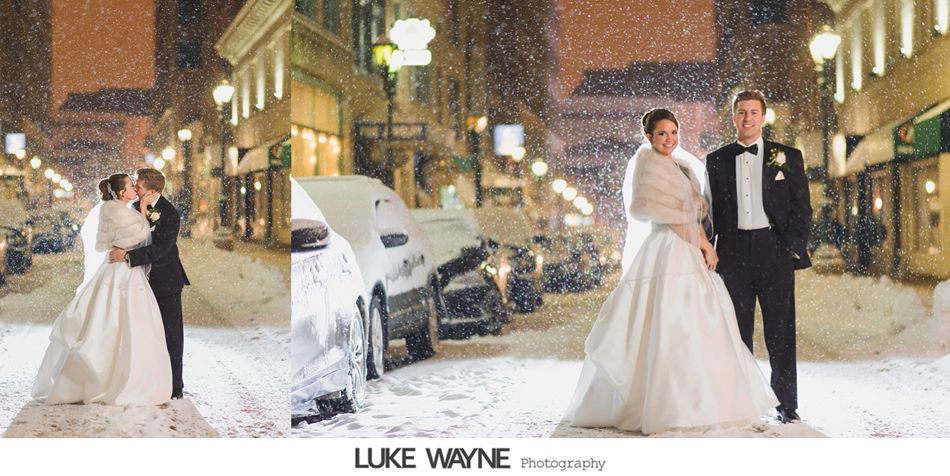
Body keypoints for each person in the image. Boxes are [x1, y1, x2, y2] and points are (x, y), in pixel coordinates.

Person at [565, 109, 778, 435]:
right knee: (669, 323)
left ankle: (703, 401)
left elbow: (690, 214)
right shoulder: (648, 165)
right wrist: (703, 244)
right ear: (649, 136)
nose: (669, 139)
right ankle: (666, 404)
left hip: (686, 245)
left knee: (696, 323)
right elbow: (657, 212)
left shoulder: (677, 165)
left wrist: (702, 239)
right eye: (662, 134)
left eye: (674, 133)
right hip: (669, 248)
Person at [705, 90, 813, 423]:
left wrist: (790, 246)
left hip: (774, 251)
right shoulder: (717, 159)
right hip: (733, 252)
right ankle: (741, 401)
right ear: (733, 117)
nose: (748, 118)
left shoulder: (788, 156)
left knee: (781, 331)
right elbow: (708, 210)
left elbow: (802, 208)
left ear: (763, 117)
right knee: (736, 333)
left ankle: (786, 403)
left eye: (753, 112)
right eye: (741, 112)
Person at [32, 174, 172, 405]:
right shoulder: (115, 210)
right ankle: (111, 379)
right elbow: (139, 235)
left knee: (124, 322)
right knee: (116, 321)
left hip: (123, 266)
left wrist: (141, 212)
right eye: (130, 185)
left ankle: (119, 374)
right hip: (122, 270)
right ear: (120, 192)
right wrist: (145, 209)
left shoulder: (119, 208)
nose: (134, 188)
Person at [109, 168, 190, 399]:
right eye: (134, 184)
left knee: (171, 336)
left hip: (166, 282)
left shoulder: (170, 213)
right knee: (143, 334)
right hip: (139, 282)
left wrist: (128, 256)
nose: (136, 188)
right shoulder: (134, 208)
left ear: (152, 190)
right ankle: (146, 381)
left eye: (140, 186)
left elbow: (160, 249)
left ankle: (175, 387)